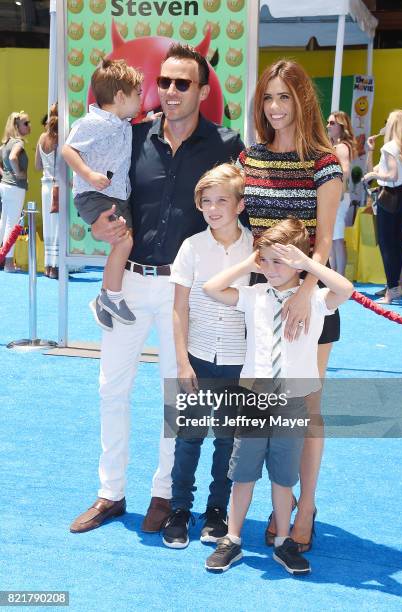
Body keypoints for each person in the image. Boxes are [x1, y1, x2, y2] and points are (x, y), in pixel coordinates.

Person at [69, 43, 245, 534]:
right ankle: (110, 493)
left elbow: (240, 213)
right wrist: (99, 225)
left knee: (177, 394)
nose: (169, 91)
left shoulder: (226, 145)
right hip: (127, 282)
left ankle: (165, 495)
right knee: (111, 389)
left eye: (181, 83)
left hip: (183, 293)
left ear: (203, 91)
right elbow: (91, 177)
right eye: (163, 82)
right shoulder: (131, 135)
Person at [203, 218, 354, 574]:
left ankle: (284, 540)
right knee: (243, 472)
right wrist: (249, 262)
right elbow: (212, 288)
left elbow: (344, 288)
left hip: (292, 400)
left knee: (284, 476)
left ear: (298, 261)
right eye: (266, 261)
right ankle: (234, 539)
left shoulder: (314, 301)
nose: (270, 269)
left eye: (279, 261)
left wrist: (308, 265)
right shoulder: (254, 296)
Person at [236, 60, 343, 552]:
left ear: (303, 101)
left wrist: (304, 292)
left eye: (285, 97)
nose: (275, 108)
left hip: (309, 302)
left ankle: (308, 505)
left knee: (306, 409)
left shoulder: (324, 163)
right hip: (259, 303)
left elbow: (323, 242)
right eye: (268, 98)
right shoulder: (249, 159)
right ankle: (277, 503)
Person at [162, 164, 252, 549]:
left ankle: (217, 511)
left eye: (221, 201)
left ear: (240, 205)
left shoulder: (256, 249)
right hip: (196, 358)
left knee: (228, 441)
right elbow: (179, 308)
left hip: (239, 360)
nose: (213, 209)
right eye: (206, 202)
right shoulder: (192, 247)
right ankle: (180, 508)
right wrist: (182, 361)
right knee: (188, 437)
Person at [62, 59, 143, 328]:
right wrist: (88, 174)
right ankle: (110, 296)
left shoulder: (123, 123)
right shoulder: (93, 122)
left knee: (125, 241)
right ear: (120, 96)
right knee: (124, 242)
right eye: (137, 94)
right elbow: (68, 150)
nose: (141, 98)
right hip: (94, 195)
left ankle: (105, 299)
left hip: (117, 196)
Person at [364, 109, 402, 304]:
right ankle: (395, 287)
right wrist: (370, 152)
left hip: (389, 196)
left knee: (387, 245)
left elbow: (389, 175)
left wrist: (373, 177)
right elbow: (379, 168)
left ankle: (391, 290)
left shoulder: (390, 147)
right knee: (398, 245)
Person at [327, 111, 357, 275]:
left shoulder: (342, 147)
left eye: (332, 123)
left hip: (338, 196)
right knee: (332, 238)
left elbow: (345, 171)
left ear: (341, 127)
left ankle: (340, 276)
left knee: (336, 239)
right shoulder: (336, 146)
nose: (328, 126)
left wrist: (336, 190)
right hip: (336, 195)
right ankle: (335, 275)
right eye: (328, 122)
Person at [0, 111, 31, 272]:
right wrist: (18, 172)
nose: (29, 126)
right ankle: (8, 262)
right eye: (26, 123)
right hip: (15, 187)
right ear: (17, 126)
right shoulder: (18, 143)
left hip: (5, 186)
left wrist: (6, 173)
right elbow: (13, 158)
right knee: (11, 225)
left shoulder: (5, 143)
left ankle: (2, 258)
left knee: (4, 222)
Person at [35, 103, 60, 279]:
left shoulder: (41, 138)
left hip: (45, 184)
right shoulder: (60, 139)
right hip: (57, 185)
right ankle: (56, 266)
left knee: (48, 226)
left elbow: (37, 165)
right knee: (58, 226)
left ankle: (47, 266)